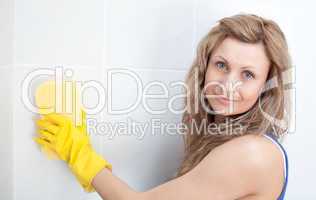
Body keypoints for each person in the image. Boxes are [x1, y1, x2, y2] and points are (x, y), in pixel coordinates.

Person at [34, 13, 292, 199]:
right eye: (221, 65)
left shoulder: (250, 153)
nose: (228, 84)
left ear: (266, 86)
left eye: (248, 75)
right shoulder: (233, 140)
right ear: (205, 68)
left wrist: (80, 155)